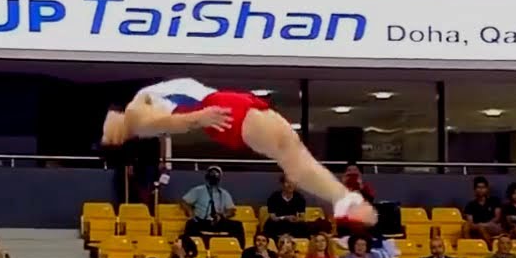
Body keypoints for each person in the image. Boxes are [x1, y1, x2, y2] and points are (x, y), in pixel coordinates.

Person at [102, 79, 377, 228]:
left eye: (104, 132)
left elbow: (166, 121)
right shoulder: (136, 117)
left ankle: (343, 198)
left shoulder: (136, 107)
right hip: (221, 109)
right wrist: (199, 118)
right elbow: (167, 123)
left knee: (291, 153)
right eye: (109, 139)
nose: (108, 133)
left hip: (222, 106)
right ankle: (343, 199)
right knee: (290, 153)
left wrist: (198, 118)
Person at [180, 166, 245, 245]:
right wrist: (190, 212)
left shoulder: (224, 193)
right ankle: (194, 247)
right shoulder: (198, 190)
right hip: (202, 221)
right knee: (190, 224)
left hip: (218, 221)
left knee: (237, 225)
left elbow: (232, 210)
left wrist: (223, 215)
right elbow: (184, 202)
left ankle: (238, 248)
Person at [463, 176, 502, 241]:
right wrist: (479, 226)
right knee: (466, 226)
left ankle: (490, 248)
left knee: (482, 227)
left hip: (492, 225)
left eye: (483, 187)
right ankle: (470, 246)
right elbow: (470, 222)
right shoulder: (470, 205)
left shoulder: (494, 200)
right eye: (478, 187)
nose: (481, 189)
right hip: (477, 226)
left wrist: (485, 224)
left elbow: (497, 218)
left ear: (487, 189)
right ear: (475, 189)